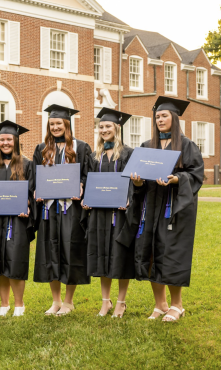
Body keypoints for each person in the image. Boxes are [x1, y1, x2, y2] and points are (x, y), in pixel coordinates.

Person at [129, 96, 204, 321]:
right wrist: (137, 182)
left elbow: (196, 175)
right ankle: (160, 305)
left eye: (164, 116)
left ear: (174, 117)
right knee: (151, 251)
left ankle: (177, 305)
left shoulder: (187, 145)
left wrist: (176, 179)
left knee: (171, 253)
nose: (160, 119)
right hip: (150, 206)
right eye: (157, 116)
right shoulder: (146, 146)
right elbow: (137, 179)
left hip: (174, 208)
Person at [33, 104, 92, 316]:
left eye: (59, 123)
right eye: (52, 124)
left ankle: (68, 301)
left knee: (70, 249)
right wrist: (36, 189)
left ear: (67, 124)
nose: (55, 127)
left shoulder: (81, 147)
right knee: (51, 251)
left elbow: (87, 174)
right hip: (49, 209)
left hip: (71, 208)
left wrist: (82, 184)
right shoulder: (42, 149)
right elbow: (35, 177)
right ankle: (56, 301)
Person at [82, 108, 136, 317]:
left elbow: (133, 180)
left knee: (120, 255)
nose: (104, 130)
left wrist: (129, 198)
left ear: (117, 128)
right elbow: (88, 180)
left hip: (121, 213)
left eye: (108, 126)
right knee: (102, 254)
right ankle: (106, 302)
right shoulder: (94, 156)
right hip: (99, 214)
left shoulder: (129, 153)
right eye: (101, 127)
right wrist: (87, 198)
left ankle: (121, 302)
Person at [0, 120, 35, 317]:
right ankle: (4, 304)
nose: (5, 143)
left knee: (15, 260)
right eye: (2, 139)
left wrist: (28, 205)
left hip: (17, 222)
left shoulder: (28, 165)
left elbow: (32, 192)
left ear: (16, 141)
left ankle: (19, 304)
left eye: (9, 139)